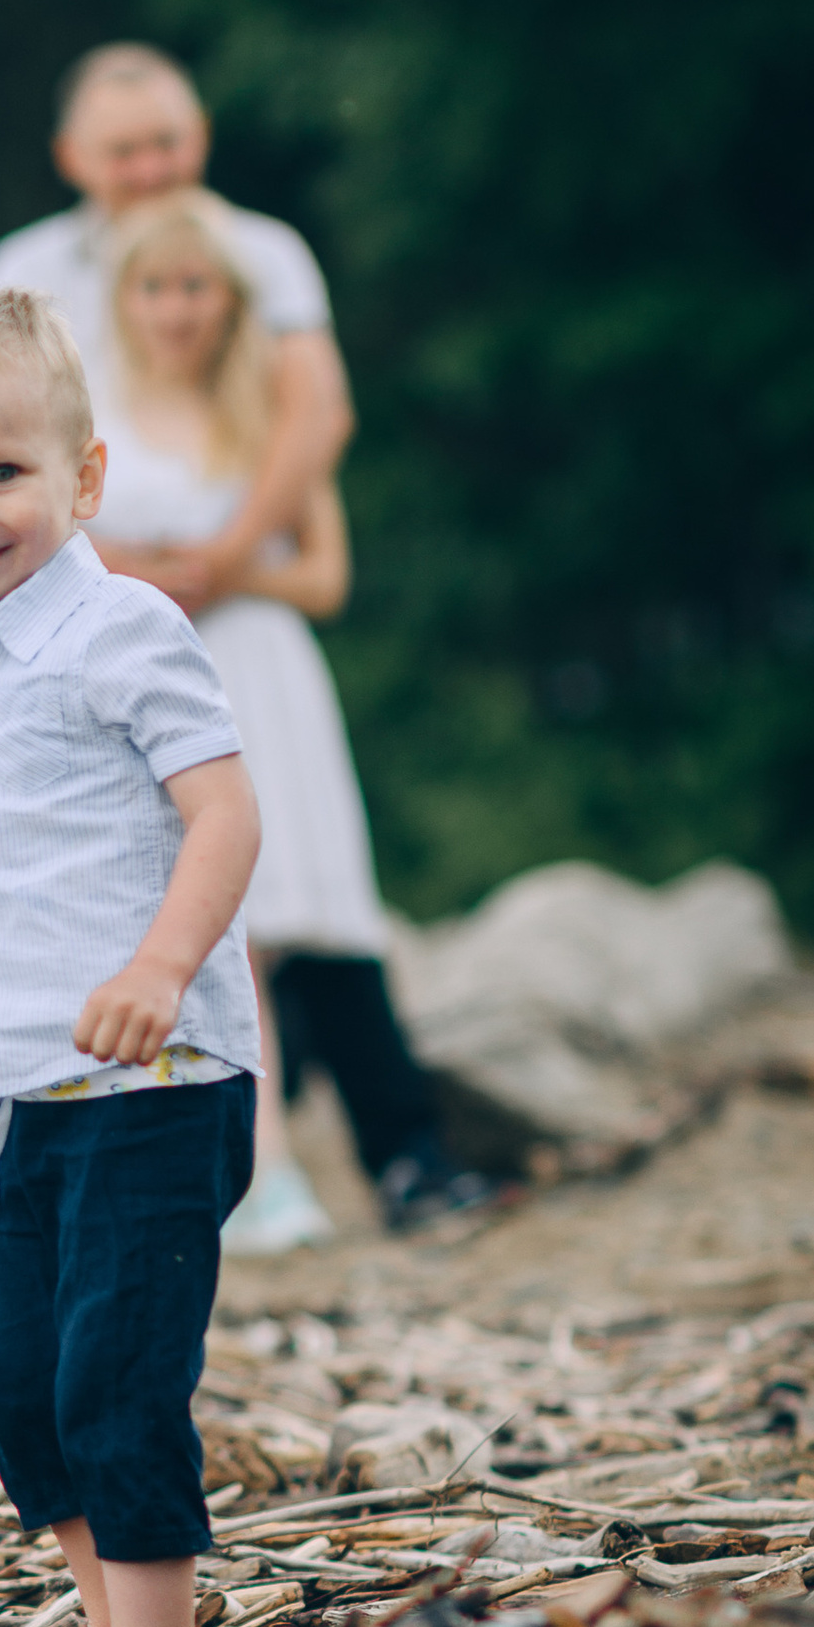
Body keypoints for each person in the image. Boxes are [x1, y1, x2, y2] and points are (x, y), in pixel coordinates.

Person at [0, 278, 261, 1627]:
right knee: (23, 1389)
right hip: (26, 1086)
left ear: (85, 478)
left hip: (157, 1077)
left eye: (0, 473)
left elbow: (225, 813)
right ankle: (100, 1624)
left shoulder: (121, 627)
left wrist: (162, 964)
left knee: (115, 1376)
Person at [93, 186, 491, 1239]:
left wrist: (222, 576)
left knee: (286, 923)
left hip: (259, 669)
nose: (176, 309)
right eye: (154, 287)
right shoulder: (88, 421)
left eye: (195, 287)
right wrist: (148, 582)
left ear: (225, 300)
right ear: (121, 300)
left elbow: (323, 575)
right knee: (203, 930)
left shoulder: (270, 416)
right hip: (151, 677)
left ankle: (348, 1162)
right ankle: (252, 1172)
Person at [0, 41, 351, 553]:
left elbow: (318, 415)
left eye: (166, 143)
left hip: (243, 567)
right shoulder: (20, 269)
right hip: (67, 564)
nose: (150, 171)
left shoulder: (269, 251)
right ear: (70, 157)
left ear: (201, 135)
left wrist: (224, 557)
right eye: (124, 152)